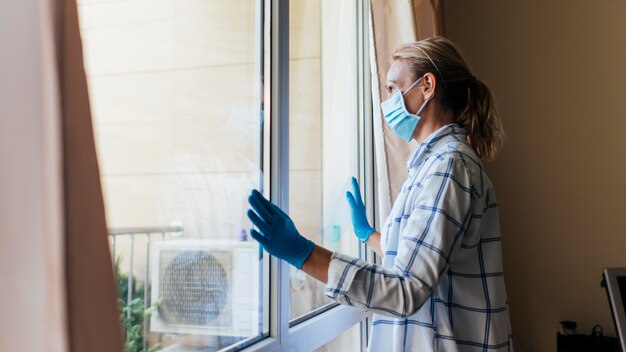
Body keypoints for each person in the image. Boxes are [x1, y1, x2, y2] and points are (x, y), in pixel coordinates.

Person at [246, 37, 513, 351]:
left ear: (427, 85)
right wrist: (368, 234)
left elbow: (406, 289)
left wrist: (303, 252)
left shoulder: (448, 168)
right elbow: (424, 256)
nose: (388, 100)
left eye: (393, 87)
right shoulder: (436, 164)